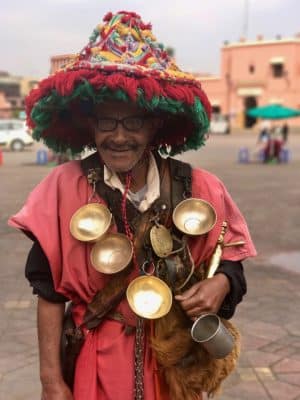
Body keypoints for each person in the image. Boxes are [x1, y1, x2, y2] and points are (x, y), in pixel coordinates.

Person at [9, 10, 256, 400]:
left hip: (173, 364)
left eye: (133, 123)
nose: (118, 137)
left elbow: (232, 262)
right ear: (90, 125)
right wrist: (51, 381)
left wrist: (220, 284)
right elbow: (48, 293)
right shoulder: (61, 189)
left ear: (155, 125)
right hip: (95, 366)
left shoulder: (201, 188)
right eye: (107, 122)